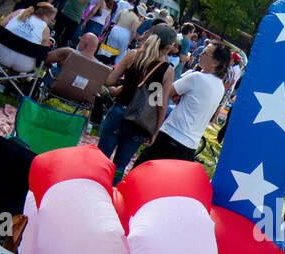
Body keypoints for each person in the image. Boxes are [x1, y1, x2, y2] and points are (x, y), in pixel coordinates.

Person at [96, 25, 179, 182]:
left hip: (119, 111)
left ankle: (90, 187)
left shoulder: (133, 56)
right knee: (119, 167)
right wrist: (155, 130)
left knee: (100, 158)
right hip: (139, 122)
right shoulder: (167, 70)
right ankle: (108, 193)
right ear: (168, 48)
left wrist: (126, 83)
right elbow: (160, 104)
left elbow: (110, 80)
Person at [131, 40, 230, 165]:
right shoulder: (220, 87)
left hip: (172, 135)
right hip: (190, 145)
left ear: (215, 62)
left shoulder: (197, 77)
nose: (200, 54)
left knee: (141, 170)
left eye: (205, 53)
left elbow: (167, 92)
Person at [0, 1, 54, 77]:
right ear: (45, 17)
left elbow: (2, 25)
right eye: (51, 20)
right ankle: (3, 84)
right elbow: (42, 52)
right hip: (23, 65)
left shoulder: (20, 12)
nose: (51, 22)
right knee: (22, 54)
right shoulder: (45, 29)